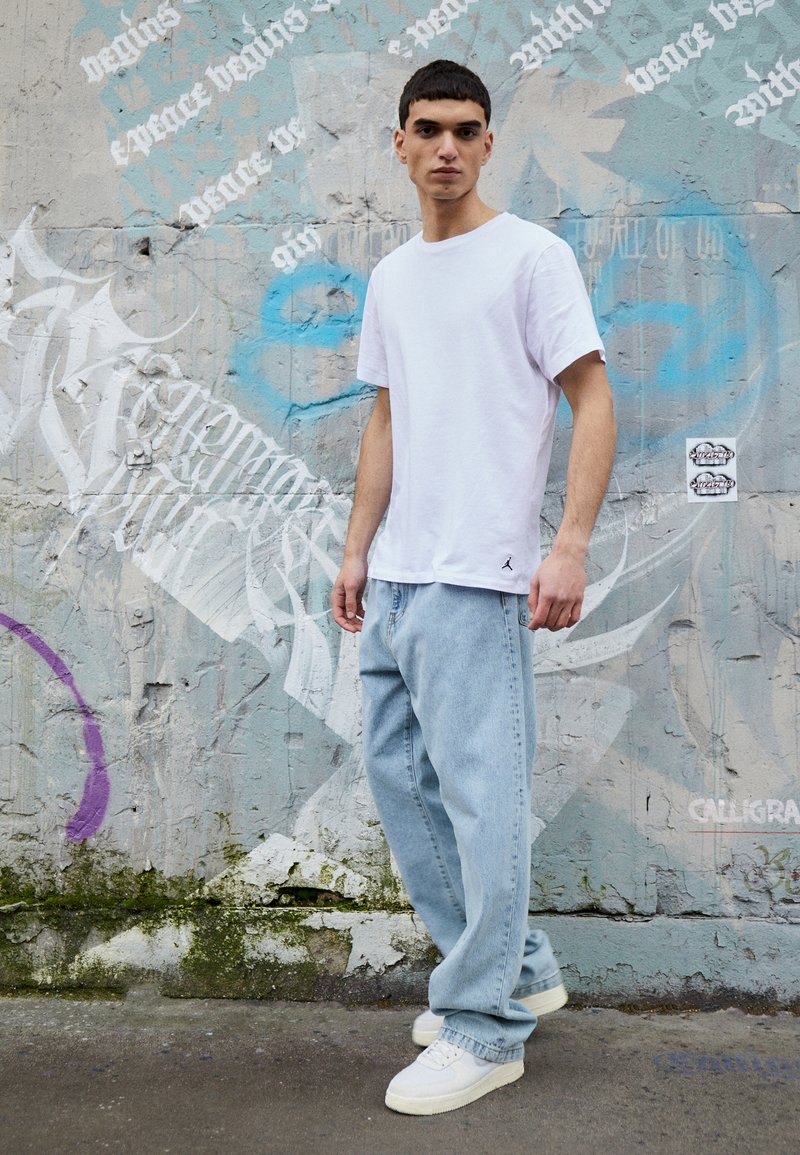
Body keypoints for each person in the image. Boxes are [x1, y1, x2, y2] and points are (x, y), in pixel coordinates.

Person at [330, 59, 616, 1116]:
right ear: (398, 145)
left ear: (489, 143)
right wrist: (357, 548)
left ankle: (484, 1028)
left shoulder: (532, 258)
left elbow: (592, 397)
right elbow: (387, 416)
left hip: (477, 575)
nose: (445, 147)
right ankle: (518, 971)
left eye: (464, 129)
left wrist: (568, 546)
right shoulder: (393, 276)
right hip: (398, 575)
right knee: (406, 790)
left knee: (482, 800)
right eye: (426, 129)